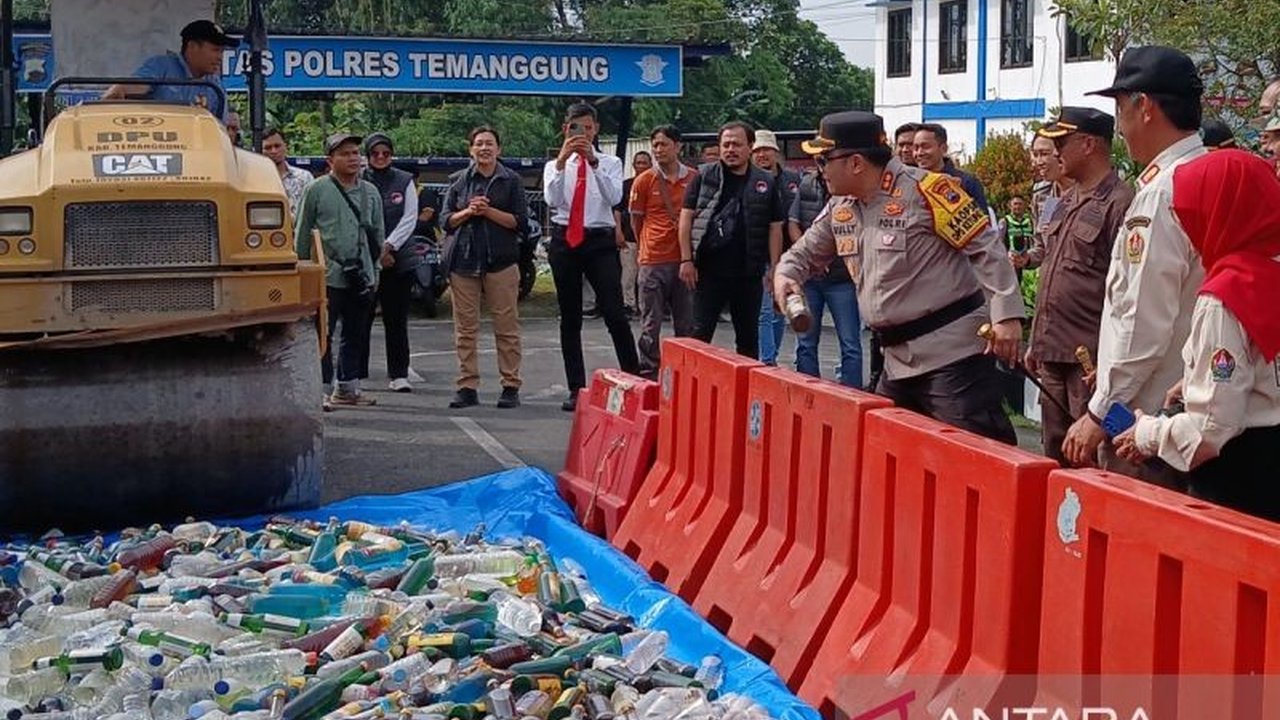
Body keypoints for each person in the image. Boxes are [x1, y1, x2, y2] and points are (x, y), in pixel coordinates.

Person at [775, 111, 1023, 444]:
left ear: (856, 163)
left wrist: (1006, 316)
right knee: (887, 455)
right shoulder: (842, 206)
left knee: (974, 457)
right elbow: (801, 255)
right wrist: (786, 275)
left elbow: (987, 249)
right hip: (895, 361)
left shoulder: (928, 191)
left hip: (953, 359)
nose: (818, 169)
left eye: (823, 160)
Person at [1062, 46, 1207, 486]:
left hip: (1144, 422)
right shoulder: (1202, 171)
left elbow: (1142, 319)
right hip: (1185, 410)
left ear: (1143, 106)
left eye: (1120, 108)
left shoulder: (1164, 192)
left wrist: (1099, 410)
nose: (1119, 127)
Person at [1114, 150, 1280, 520]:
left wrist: (1147, 433)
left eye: (1189, 215)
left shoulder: (1225, 296)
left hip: (1242, 478)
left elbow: (1214, 425)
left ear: (1220, 213)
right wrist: (1193, 380)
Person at [1021, 108, 1135, 465]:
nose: (1055, 152)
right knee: (1056, 455)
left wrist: (1111, 363)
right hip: (1052, 354)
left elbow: (1129, 292)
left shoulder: (1122, 202)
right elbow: (1051, 268)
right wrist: (1037, 340)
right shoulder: (1061, 201)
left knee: (1102, 455)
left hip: (1092, 363)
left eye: (1062, 143)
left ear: (1088, 144)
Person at [542, 103, 640, 412]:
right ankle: (575, 387)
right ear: (565, 129)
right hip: (565, 238)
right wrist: (562, 161)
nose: (581, 134)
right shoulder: (553, 166)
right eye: (575, 128)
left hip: (599, 239)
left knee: (614, 311)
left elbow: (614, 198)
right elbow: (552, 200)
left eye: (587, 128)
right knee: (570, 317)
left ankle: (635, 378)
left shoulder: (610, 162)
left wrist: (593, 162)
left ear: (595, 129)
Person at [678, 121, 786, 359]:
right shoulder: (704, 176)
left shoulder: (765, 182)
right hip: (707, 272)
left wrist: (775, 267)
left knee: (748, 340)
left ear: (750, 147)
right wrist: (686, 259)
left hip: (748, 274)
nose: (730, 149)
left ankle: (746, 393)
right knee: (699, 335)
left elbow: (775, 228)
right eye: (725, 144)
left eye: (737, 144)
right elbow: (685, 219)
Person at [442, 126, 530, 410]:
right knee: (465, 329)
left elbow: (520, 222)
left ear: (499, 149)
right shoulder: (458, 181)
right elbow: (445, 220)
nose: (484, 148)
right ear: (470, 149)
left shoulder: (511, 180)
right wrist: (468, 211)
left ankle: (510, 385)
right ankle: (467, 385)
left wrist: (488, 211)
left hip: (501, 262)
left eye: (489, 144)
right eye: (478, 143)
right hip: (463, 262)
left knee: (506, 327)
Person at [295, 132, 384, 409]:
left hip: (361, 275)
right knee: (323, 333)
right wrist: (303, 270)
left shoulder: (370, 192)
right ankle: (319, 389)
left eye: (356, 153)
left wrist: (375, 271)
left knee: (355, 333)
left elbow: (377, 234)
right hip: (326, 274)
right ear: (330, 160)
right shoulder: (317, 189)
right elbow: (302, 233)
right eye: (345, 153)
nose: (353, 158)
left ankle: (348, 388)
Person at [630, 126, 696, 379]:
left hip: (683, 260)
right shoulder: (644, 180)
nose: (659, 150)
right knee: (650, 322)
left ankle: (687, 370)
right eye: (655, 145)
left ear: (677, 146)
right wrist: (646, 246)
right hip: (652, 260)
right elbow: (636, 221)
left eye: (664, 144)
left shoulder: (692, 178)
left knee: (686, 322)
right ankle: (649, 370)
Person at [789, 164, 862, 388]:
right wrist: (811, 258)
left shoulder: (854, 188)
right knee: (805, 340)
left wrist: (828, 257)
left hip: (843, 278)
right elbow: (793, 223)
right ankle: (807, 391)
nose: (825, 165)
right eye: (821, 160)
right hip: (810, 278)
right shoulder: (807, 183)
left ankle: (853, 394)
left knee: (850, 343)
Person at [360, 133, 419, 392]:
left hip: (398, 260)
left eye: (386, 153)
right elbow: (359, 219)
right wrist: (375, 250)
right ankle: (356, 373)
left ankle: (398, 374)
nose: (381, 157)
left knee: (396, 320)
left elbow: (410, 217)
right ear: (368, 155)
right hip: (364, 260)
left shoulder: (404, 180)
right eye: (375, 154)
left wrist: (389, 246)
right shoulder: (359, 179)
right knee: (359, 319)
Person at [102, 20, 236, 122]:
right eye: (215, 50)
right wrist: (121, 89)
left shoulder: (215, 86)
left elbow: (220, 129)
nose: (220, 57)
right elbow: (137, 85)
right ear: (192, 46)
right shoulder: (162, 66)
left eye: (222, 51)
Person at [752, 129, 802, 366]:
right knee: (763, 311)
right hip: (759, 252)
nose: (762, 155)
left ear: (775, 152)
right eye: (757, 150)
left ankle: (773, 354)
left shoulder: (793, 180)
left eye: (766, 150)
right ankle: (767, 360)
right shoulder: (750, 180)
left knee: (780, 308)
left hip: (789, 254)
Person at [913, 123, 990, 213]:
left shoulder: (967, 182)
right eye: (916, 148)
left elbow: (983, 223)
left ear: (944, 148)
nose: (919, 153)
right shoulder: (909, 183)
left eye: (925, 147)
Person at [615, 151, 652, 317]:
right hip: (629, 237)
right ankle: (628, 304)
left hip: (650, 238)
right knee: (629, 274)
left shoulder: (656, 183)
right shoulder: (626, 185)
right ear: (634, 165)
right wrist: (618, 231)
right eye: (639, 163)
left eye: (645, 163)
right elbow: (617, 210)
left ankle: (646, 305)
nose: (642, 166)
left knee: (647, 276)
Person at [261, 127, 314, 220]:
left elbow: (314, 209)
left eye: (277, 146)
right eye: (268, 148)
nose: (274, 151)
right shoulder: (253, 180)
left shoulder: (304, 177)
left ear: (286, 146)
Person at [1000, 195, 1034, 273]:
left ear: (1024, 206)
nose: (1018, 206)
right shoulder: (1005, 221)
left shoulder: (1030, 222)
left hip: (1028, 261)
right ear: (1010, 206)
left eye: (1020, 204)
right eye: (1015, 204)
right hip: (1011, 262)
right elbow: (999, 242)